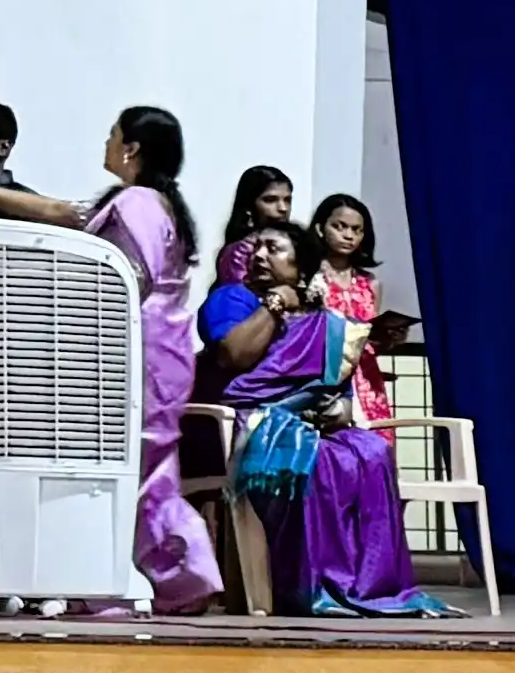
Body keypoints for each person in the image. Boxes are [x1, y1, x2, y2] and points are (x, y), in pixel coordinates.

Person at [191, 227, 434, 618]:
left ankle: (369, 584)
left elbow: (337, 391)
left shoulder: (325, 322)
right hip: (260, 421)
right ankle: (309, 585)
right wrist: (274, 304)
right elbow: (235, 359)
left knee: (372, 453)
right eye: (256, 248)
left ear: (299, 265)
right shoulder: (232, 299)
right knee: (318, 463)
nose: (259, 256)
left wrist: (336, 412)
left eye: (273, 248)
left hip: (316, 423)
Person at [85, 108, 214, 614]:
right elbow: (61, 212)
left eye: (113, 135)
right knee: (152, 473)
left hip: (138, 354)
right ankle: (186, 577)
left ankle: (108, 585)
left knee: (121, 468)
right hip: (166, 355)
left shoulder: (135, 202)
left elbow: (127, 279)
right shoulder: (160, 202)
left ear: (131, 148)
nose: (108, 142)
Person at [301, 195, 397, 426]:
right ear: (320, 229)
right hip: (323, 379)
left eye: (357, 230)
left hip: (366, 381)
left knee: (374, 448)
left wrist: (389, 338)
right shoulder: (308, 277)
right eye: (339, 226)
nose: (348, 235)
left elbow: (369, 343)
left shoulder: (370, 284)